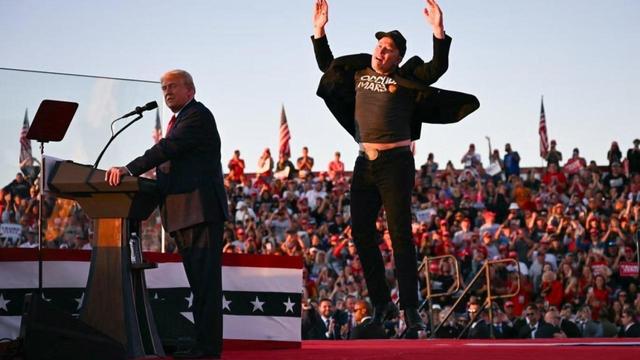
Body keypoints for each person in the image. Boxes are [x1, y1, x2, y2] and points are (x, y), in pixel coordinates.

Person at [311, 0, 478, 336]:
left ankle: (411, 309)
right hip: (364, 162)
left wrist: (438, 32)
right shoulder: (359, 72)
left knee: (400, 236)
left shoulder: (405, 77)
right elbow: (327, 67)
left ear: (398, 56)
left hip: (396, 163)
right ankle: (381, 304)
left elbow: (436, 69)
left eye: (388, 49)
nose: (381, 52)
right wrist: (319, 31)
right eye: (379, 45)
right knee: (360, 232)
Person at [106, 69, 228, 359]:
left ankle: (208, 350)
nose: (167, 92)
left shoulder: (197, 116)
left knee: (205, 286)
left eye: (173, 86)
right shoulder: (180, 120)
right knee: (199, 285)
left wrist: (129, 169)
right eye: (163, 88)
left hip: (199, 212)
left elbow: (168, 148)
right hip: (185, 214)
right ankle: (203, 345)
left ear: (191, 90)